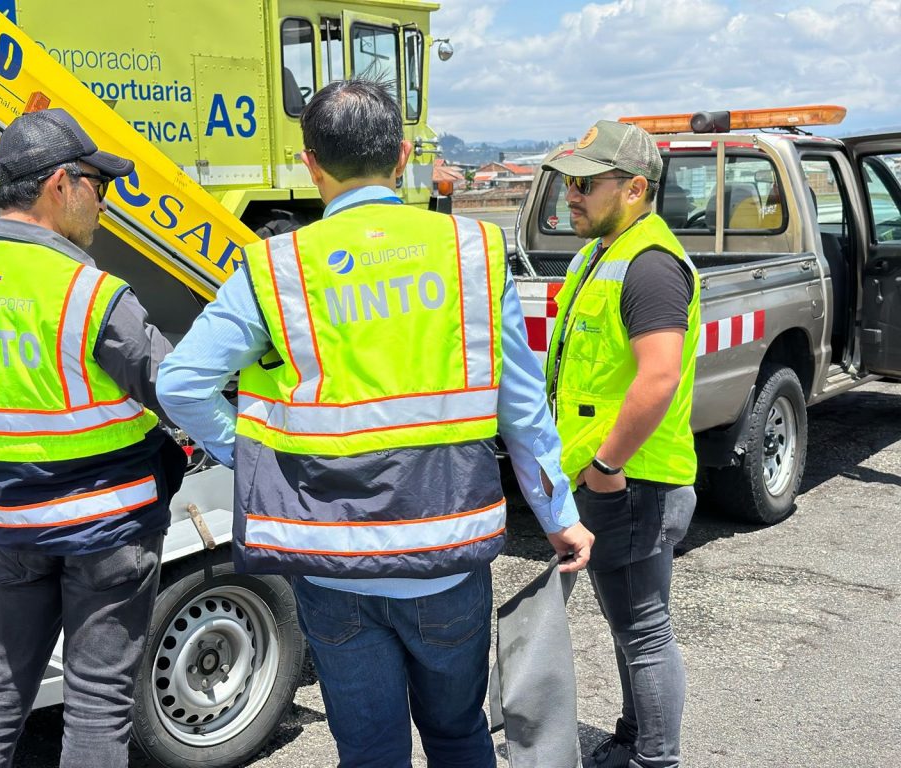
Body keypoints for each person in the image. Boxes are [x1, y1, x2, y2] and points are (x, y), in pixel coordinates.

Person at [156, 79, 594, 768]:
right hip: (448, 556)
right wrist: (558, 514)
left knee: (369, 752)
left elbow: (180, 383)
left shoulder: (280, 266)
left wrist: (253, 462)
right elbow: (522, 409)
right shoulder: (472, 252)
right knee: (458, 735)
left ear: (311, 163)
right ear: (401, 156)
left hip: (333, 567)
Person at [0, 108, 185, 768]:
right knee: (97, 704)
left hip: (14, 526)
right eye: (98, 185)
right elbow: (180, 396)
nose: (103, 203)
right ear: (62, 184)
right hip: (112, 533)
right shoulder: (93, 293)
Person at [542, 120, 701, 768]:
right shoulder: (600, 255)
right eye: (567, 182)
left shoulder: (650, 265)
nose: (570, 195)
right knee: (632, 623)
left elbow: (659, 374)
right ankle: (635, 738)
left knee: (643, 630)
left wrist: (607, 466)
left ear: (634, 188)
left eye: (584, 183)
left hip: (634, 481)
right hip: (614, 478)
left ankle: (653, 759)